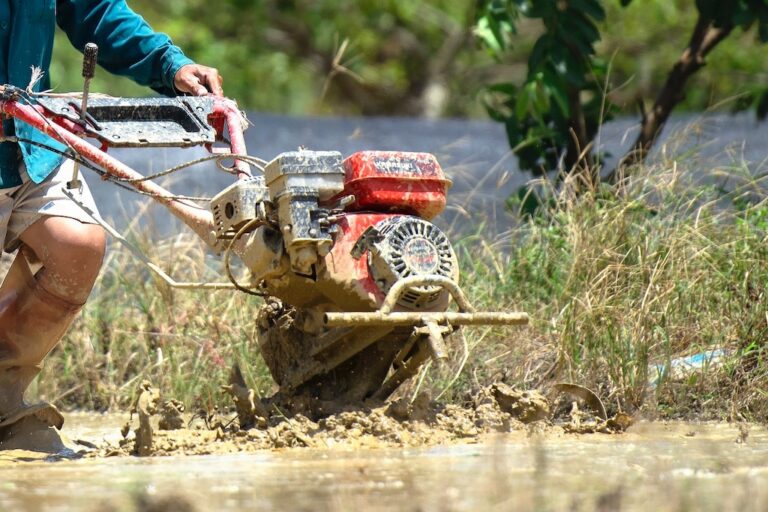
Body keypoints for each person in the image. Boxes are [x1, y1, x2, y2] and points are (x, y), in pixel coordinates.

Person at [0, 0, 223, 453]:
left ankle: (3, 399)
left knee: (77, 247)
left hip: (26, 142)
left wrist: (170, 64)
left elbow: (95, 11)